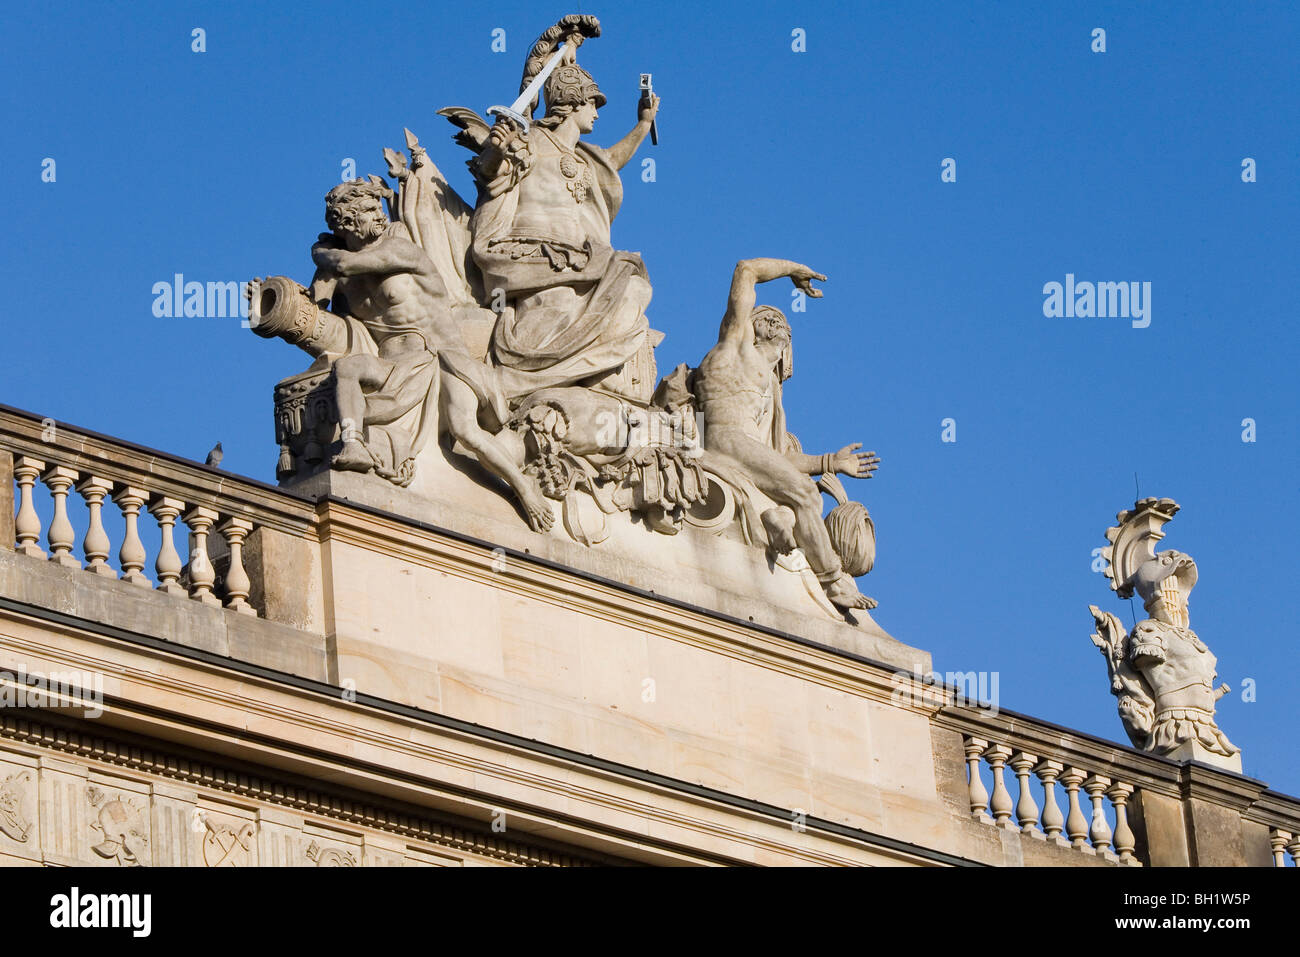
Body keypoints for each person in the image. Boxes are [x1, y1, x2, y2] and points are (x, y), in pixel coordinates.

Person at [310, 179, 554, 530]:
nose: (378, 215)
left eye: (376, 207)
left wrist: (319, 253)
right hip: (394, 365)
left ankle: (524, 487)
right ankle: (353, 444)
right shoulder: (341, 278)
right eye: (366, 211)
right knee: (347, 368)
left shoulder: (399, 249)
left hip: (442, 357)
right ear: (346, 223)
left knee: (465, 430)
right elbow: (318, 310)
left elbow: (344, 264)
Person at [694, 259, 880, 611]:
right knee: (807, 494)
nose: (776, 322)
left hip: (745, 449)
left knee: (803, 494)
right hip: (724, 438)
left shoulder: (771, 390)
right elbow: (745, 269)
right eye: (768, 317)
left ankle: (781, 521)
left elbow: (777, 458)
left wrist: (832, 462)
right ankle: (833, 580)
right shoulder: (734, 345)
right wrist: (795, 270)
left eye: (780, 321)